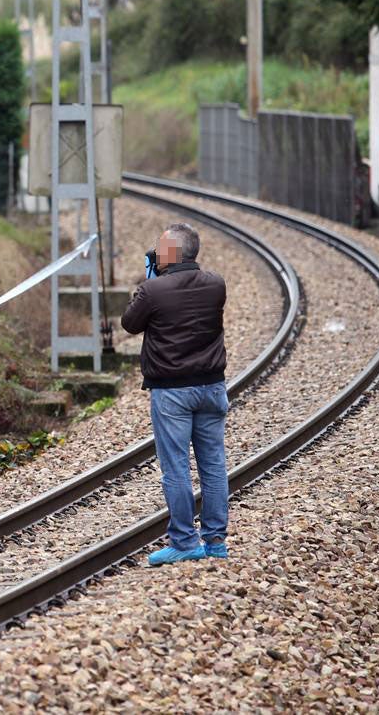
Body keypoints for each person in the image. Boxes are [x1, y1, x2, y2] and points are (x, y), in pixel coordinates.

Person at [120, 223, 230, 566]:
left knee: (176, 468)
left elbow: (129, 323)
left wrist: (148, 280)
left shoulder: (153, 290)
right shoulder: (216, 284)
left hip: (173, 393)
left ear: (171, 253)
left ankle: (184, 541)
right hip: (212, 386)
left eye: (160, 248)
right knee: (213, 465)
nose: (155, 252)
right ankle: (215, 542)